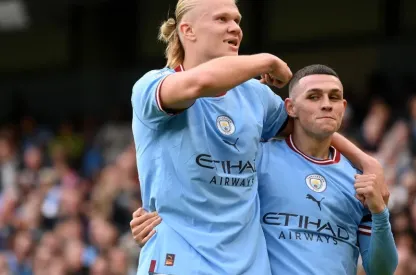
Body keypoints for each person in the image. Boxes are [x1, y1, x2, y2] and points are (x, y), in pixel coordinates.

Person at [131, 0, 386, 273]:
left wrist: (365, 160)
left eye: (237, 21)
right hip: (181, 260)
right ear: (187, 30)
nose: (235, 29)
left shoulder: (255, 96)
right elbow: (198, 83)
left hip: (249, 267)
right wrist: (266, 61)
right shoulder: (152, 86)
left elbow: (307, 123)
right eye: (222, 20)